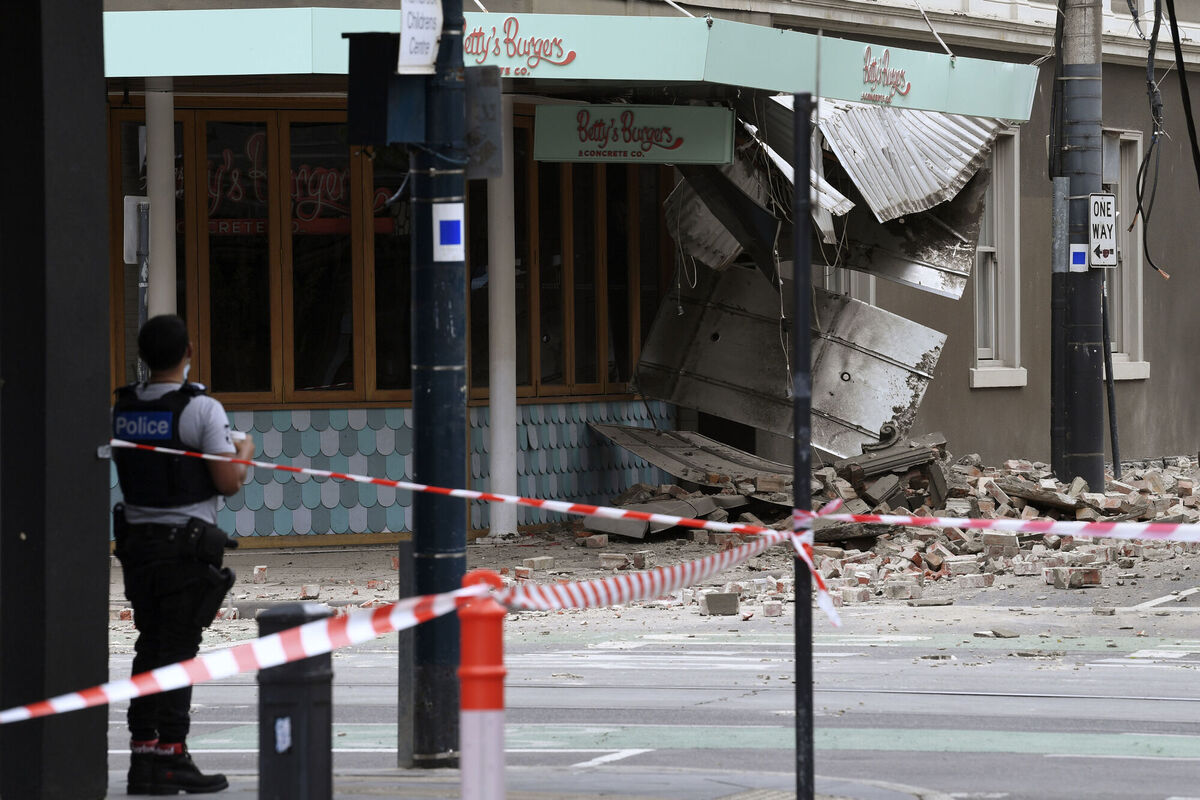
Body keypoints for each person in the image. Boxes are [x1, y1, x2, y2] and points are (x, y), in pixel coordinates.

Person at [111, 314, 255, 795]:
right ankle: (172, 755)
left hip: (136, 548)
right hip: (183, 550)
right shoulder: (202, 410)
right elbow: (227, 482)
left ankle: (143, 757)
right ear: (189, 351)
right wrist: (246, 452)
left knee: (150, 646)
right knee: (178, 652)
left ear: (145, 357)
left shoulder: (125, 407)